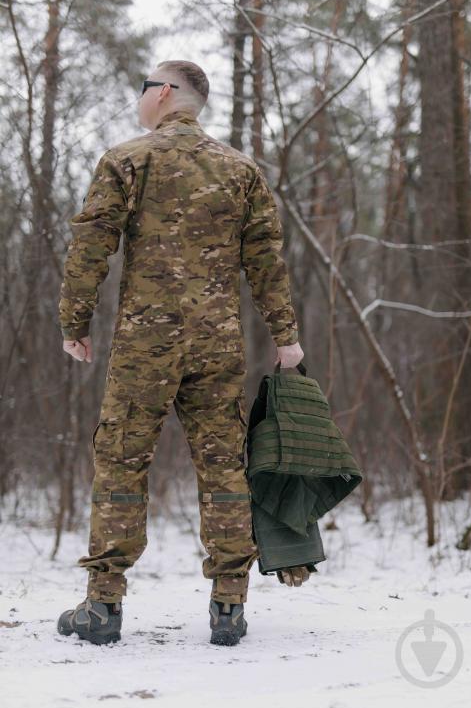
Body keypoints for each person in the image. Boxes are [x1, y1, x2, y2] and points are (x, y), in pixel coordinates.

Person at [56, 60, 306, 646]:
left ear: (165, 93)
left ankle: (102, 607)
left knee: (121, 460)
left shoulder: (128, 159)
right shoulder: (240, 169)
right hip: (218, 343)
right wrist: (285, 335)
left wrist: (75, 320)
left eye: (145, 88)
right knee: (222, 465)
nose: (140, 98)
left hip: (146, 343)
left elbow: (92, 244)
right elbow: (266, 259)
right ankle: (228, 607)